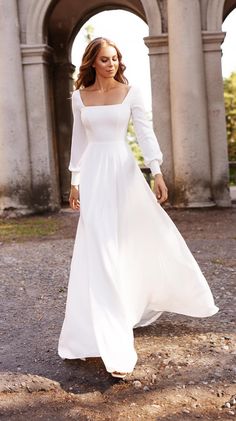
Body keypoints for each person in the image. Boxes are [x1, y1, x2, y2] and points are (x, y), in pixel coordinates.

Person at [58, 37, 219, 379]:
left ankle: (127, 310)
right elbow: (80, 141)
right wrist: (75, 180)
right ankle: (102, 335)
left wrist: (157, 171)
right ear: (92, 62)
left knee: (132, 243)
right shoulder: (79, 98)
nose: (111, 64)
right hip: (95, 178)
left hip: (123, 174)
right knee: (98, 248)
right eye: (104, 59)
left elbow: (145, 134)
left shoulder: (131, 92)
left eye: (115, 58)